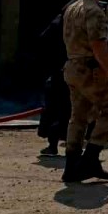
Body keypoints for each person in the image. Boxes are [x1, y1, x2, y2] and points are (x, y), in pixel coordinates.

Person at [60, 0, 108, 183]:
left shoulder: (72, 7)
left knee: (78, 116)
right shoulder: (95, 11)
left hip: (72, 67)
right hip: (91, 69)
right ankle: (90, 159)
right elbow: (99, 46)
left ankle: (71, 166)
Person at [36, 10, 69, 156]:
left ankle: (56, 144)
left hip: (63, 70)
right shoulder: (65, 22)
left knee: (58, 108)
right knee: (63, 108)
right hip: (66, 71)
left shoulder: (62, 20)